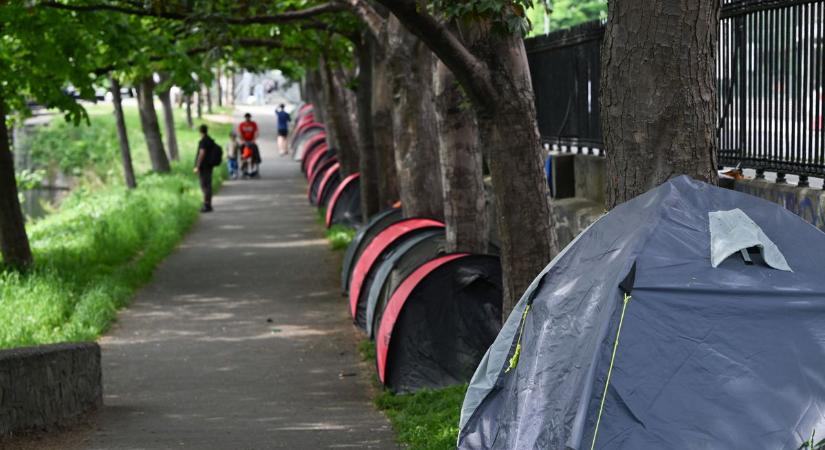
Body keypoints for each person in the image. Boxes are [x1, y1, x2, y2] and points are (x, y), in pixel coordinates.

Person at [194, 124, 220, 213]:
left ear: (200, 131)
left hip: (204, 166)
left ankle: (206, 205)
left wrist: (197, 166)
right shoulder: (210, 140)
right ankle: (209, 204)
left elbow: (202, 153)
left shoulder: (203, 141)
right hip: (209, 166)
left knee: (204, 185)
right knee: (208, 185)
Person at [238, 113, 261, 178]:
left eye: (248, 117)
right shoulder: (242, 125)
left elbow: (256, 132)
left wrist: (254, 139)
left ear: (250, 118)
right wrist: (242, 141)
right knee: (242, 151)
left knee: (255, 150)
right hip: (244, 141)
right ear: (245, 118)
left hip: (252, 141)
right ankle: (242, 167)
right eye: (246, 117)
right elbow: (240, 134)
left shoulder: (253, 124)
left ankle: (257, 163)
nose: (247, 119)